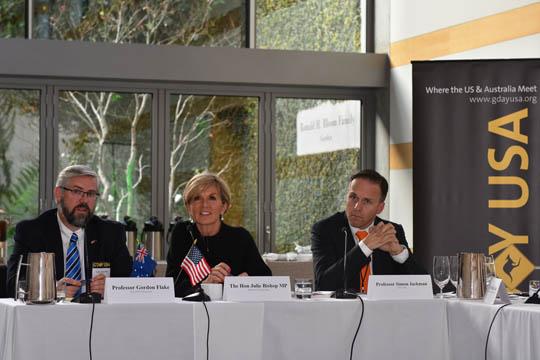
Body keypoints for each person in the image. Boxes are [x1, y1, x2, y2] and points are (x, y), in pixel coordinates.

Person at [7, 165, 133, 299]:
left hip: (100, 317)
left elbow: (131, 282)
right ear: (58, 194)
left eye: (90, 194)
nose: (84, 200)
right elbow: (13, 286)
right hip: (48, 317)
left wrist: (111, 288)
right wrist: (50, 290)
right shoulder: (31, 232)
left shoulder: (111, 233)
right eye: (77, 191)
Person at [311, 169, 426, 292]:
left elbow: (424, 287)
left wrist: (398, 253)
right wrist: (365, 247)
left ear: (380, 208)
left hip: (384, 308)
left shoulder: (390, 231)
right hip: (342, 310)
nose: (357, 207)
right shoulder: (325, 230)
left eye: (366, 201)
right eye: (353, 197)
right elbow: (323, 284)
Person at [166, 172, 271, 297]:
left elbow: (266, 280)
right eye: (197, 198)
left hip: (233, 312)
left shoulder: (240, 237)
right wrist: (205, 284)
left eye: (212, 198)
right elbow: (172, 286)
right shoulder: (183, 233)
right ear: (189, 207)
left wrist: (240, 282)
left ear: (224, 206)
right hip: (190, 312)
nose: (204, 205)